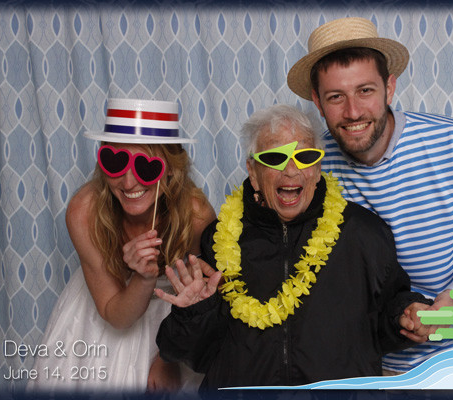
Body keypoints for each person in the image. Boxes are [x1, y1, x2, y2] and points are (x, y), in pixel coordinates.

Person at [286, 17, 453, 374]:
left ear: (390, 88)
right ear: (318, 103)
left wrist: (449, 303)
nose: (353, 112)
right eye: (336, 97)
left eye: (365, 90)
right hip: (369, 363)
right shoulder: (312, 165)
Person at [154, 104, 433, 389]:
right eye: (275, 158)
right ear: (253, 171)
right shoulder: (219, 239)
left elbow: (384, 327)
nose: (291, 170)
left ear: (317, 168)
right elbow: (195, 357)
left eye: (305, 157)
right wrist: (193, 313)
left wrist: (406, 316)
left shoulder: (364, 232)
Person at [27, 98, 216, 393]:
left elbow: (202, 303)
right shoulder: (84, 211)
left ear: (169, 169)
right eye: (115, 163)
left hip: (174, 322)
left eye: (145, 166)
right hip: (106, 316)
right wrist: (143, 278)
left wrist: (168, 357)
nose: (128, 183)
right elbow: (116, 315)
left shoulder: (196, 216)